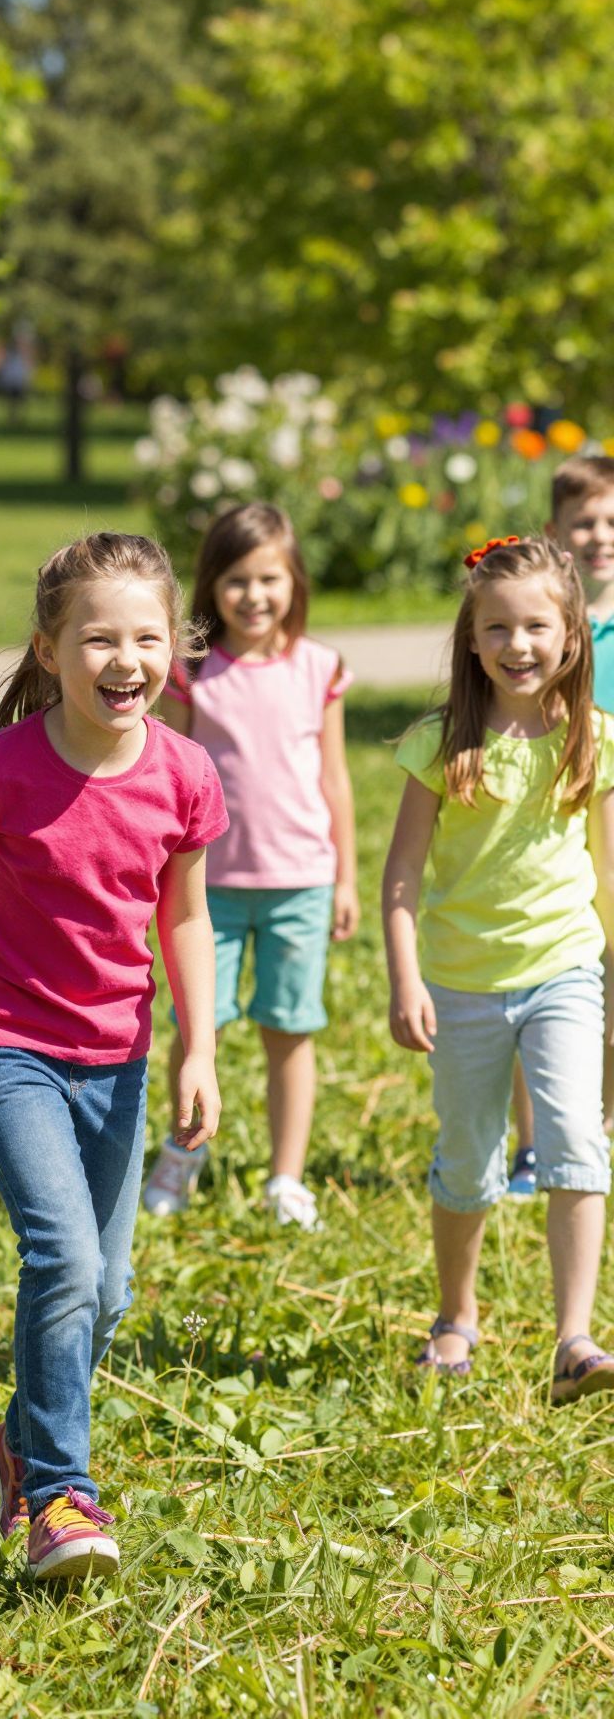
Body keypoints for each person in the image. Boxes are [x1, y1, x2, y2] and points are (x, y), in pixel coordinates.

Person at [0, 533, 227, 1580]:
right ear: (50, 649)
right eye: (99, 637)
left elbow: (185, 916)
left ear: (174, 648)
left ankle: (23, 1433)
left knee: (105, 1290)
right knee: (62, 1257)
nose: (126, 659)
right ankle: (60, 1491)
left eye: (148, 637)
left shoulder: (184, 772)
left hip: (118, 1051)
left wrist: (199, 1049)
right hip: (0, 1036)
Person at [383, 534, 614, 1401]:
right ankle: (456, 1316)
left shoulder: (594, 739)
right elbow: (401, 872)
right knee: (469, 1157)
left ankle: (575, 1340)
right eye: (498, 629)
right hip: (463, 984)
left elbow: (608, 871)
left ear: (573, 634)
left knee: (577, 1146)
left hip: (565, 971)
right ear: (471, 639)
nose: (519, 646)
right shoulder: (443, 743)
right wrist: (405, 977)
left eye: (536, 627)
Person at [143, 502, 358, 1231]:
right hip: (209, 893)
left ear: (294, 581)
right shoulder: (190, 671)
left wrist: (348, 877)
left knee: (290, 1029)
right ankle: (180, 1156)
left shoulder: (320, 667)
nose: (254, 596)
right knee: (196, 1027)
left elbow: (334, 780)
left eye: (270, 578)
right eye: (236, 580)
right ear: (211, 585)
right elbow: (165, 779)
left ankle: (286, 1176)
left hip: (302, 881)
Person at [509, 457, 614, 1193]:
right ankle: (532, 1142)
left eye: (612, 522)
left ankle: (596, 1126)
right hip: (552, 836)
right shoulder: (542, 631)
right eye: (585, 523)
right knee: (542, 983)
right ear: (555, 534)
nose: (601, 536)